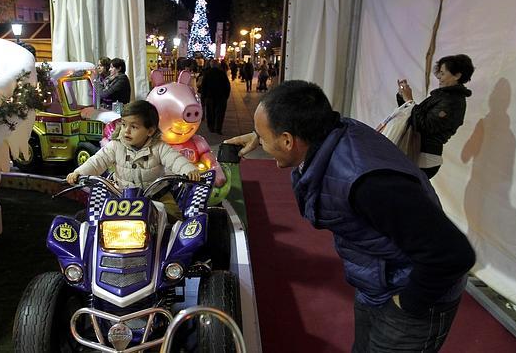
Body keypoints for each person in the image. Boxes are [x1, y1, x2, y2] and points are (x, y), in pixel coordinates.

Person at [224, 80, 475, 352]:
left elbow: (454, 254)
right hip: (377, 283)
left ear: (287, 140)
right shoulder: (329, 132)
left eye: (263, 137)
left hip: (408, 295)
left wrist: (406, 303)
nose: (259, 142)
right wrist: (262, 135)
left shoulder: (368, 183)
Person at [67, 100, 199, 220]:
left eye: (134, 127)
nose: (126, 131)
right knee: (99, 221)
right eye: (124, 125)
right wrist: (79, 173)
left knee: (174, 219)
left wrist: (189, 170)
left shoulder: (159, 147)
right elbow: (97, 160)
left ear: (150, 131)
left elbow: (175, 159)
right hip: (122, 197)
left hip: (157, 196)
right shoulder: (115, 145)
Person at [397, 54, 475, 178]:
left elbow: (425, 126)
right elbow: (415, 118)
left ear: (457, 76)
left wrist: (409, 101)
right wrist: (403, 97)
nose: (439, 77)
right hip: (418, 154)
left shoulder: (453, 102)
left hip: (424, 159)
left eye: (443, 73)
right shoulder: (443, 97)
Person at [199, 60, 231, 134]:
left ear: (211, 65)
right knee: (220, 113)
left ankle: (211, 127)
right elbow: (227, 86)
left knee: (210, 113)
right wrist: (226, 96)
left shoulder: (207, 73)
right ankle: (218, 128)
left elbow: (203, 86)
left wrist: (203, 97)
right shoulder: (222, 73)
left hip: (210, 97)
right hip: (221, 97)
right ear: (217, 65)